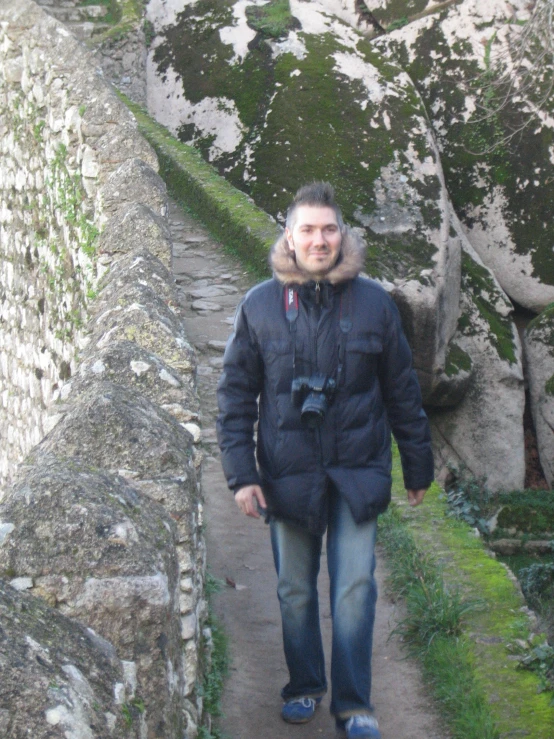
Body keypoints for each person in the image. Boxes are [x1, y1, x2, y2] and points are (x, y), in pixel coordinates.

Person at [216, 182, 434, 739]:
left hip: (357, 471)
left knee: (354, 587)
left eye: (329, 229)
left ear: (343, 237)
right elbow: (235, 395)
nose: (319, 240)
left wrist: (417, 466)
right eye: (308, 229)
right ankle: (306, 685)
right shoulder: (260, 304)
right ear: (289, 236)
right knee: (293, 589)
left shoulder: (375, 303)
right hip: (287, 474)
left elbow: (402, 392)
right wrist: (242, 475)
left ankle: (355, 704)